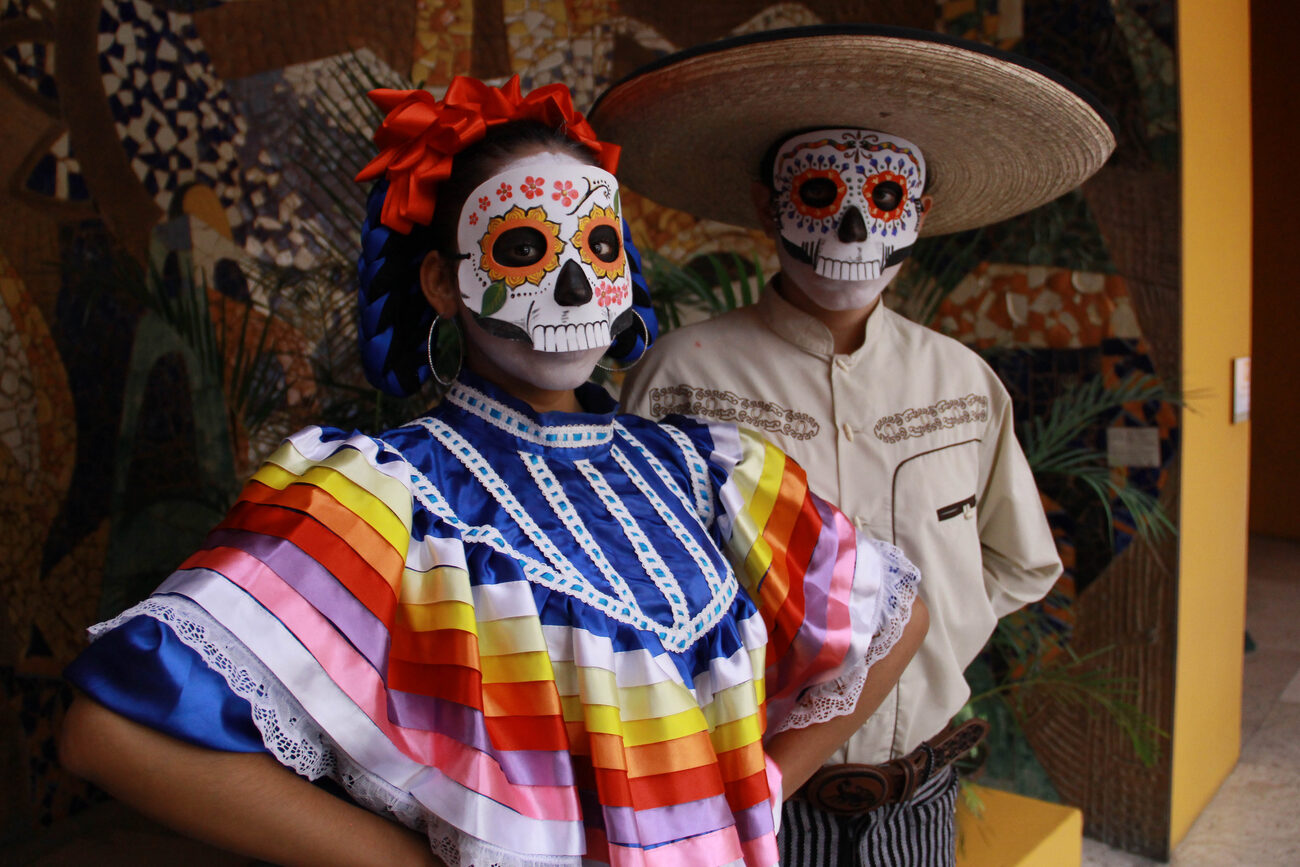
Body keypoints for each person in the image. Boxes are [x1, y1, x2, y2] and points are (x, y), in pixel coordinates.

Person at [57, 75, 928, 867]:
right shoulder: (386, 498)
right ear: (442, 281)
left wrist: (763, 786)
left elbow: (900, 612)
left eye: (597, 242)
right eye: (522, 248)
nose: (577, 285)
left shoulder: (705, 473)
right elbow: (112, 732)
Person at [591, 25, 1117, 866]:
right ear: (769, 204)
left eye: (881, 195)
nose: (846, 219)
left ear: (921, 212)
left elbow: (1018, 563)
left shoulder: (963, 386)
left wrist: (930, 642)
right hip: (750, 799)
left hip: (916, 796)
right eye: (819, 187)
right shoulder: (681, 377)